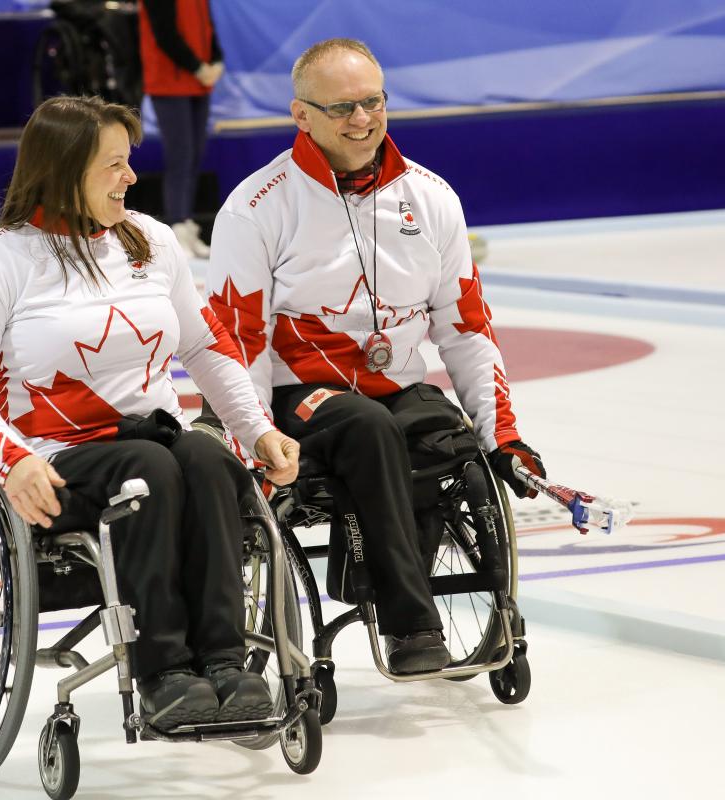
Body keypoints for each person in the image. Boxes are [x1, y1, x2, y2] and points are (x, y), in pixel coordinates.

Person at [0, 95, 301, 729]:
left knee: (210, 460)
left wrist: (258, 430)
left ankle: (225, 661)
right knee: (150, 471)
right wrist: (12, 462)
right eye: (113, 165)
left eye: (129, 162)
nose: (131, 177)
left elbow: (206, 346)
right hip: (57, 454)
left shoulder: (152, 242)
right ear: (63, 168)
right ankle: (164, 671)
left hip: (154, 435)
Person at [206, 39, 546, 674]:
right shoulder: (257, 206)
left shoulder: (431, 197)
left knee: (445, 435)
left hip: (393, 385)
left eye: (373, 102)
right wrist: (248, 438)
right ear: (300, 115)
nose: (362, 119)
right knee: (368, 428)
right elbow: (236, 341)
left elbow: (466, 326)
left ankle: (383, 578)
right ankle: (411, 627)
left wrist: (504, 435)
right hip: (294, 395)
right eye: (343, 108)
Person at [138, 0, 223, 259]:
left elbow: (208, 28)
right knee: (180, 157)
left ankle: (187, 223)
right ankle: (176, 227)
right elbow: (164, 34)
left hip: (199, 84)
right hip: (170, 84)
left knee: (194, 157)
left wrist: (217, 59)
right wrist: (197, 67)